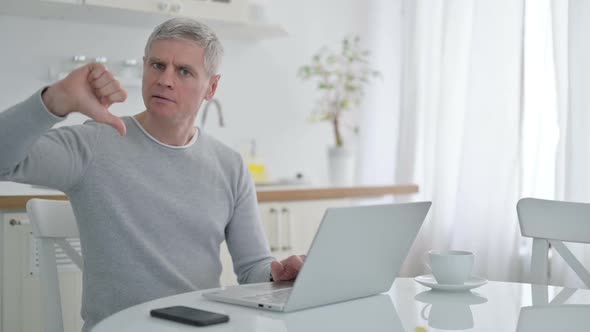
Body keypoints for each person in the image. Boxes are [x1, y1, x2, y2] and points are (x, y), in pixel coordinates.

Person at [0, 17, 304, 331]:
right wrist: (54, 101)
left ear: (211, 86)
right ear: (145, 67)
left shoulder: (230, 165)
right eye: (158, 65)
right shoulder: (95, 143)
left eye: (184, 71)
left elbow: (253, 269)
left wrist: (277, 276)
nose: (165, 80)